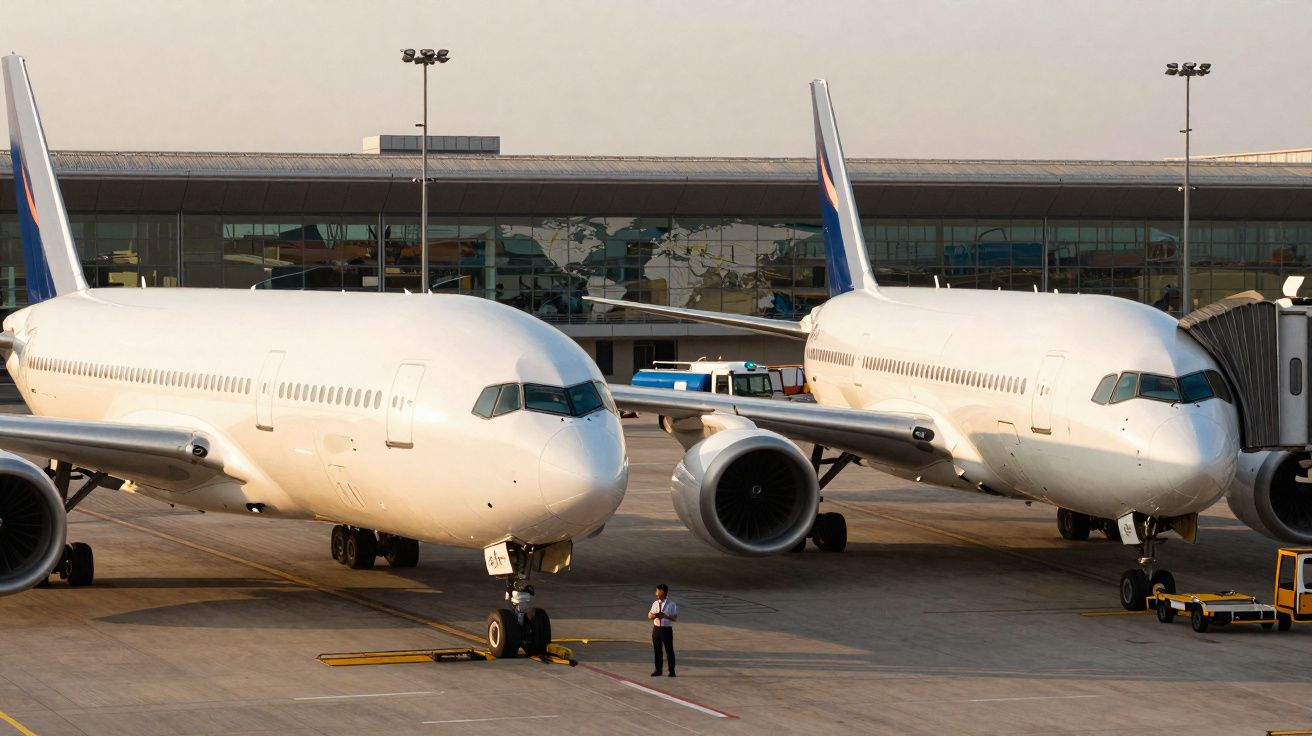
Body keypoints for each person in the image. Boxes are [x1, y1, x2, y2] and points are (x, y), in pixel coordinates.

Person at [648, 583, 678, 677]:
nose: (656, 593)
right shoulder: (655, 603)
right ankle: (658, 670)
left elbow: (675, 618)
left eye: (657, 591)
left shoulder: (671, 604)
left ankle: (671, 670)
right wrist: (655, 615)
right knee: (657, 650)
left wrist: (666, 616)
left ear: (662, 592)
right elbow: (649, 615)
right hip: (656, 629)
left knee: (669, 650)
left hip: (666, 630)